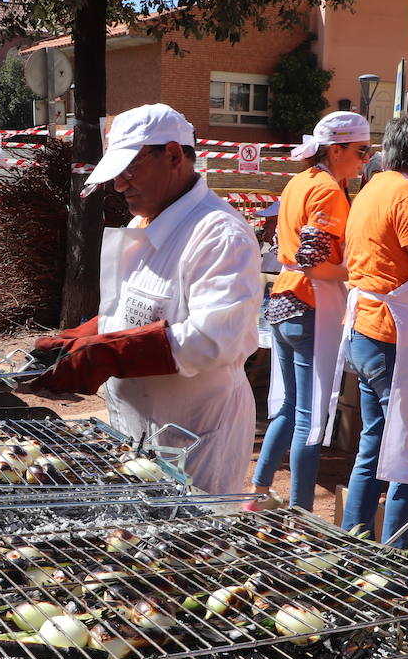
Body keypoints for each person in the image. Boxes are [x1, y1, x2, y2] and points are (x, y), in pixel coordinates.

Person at [29, 104, 260, 495]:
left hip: (195, 434)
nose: (120, 185)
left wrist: (110, 353)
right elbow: (132, 313)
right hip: (134, 428)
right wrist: (83, 336)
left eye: (129, 169)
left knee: (192, 548)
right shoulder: (144, 221)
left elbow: (215, 340)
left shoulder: (218, 234)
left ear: (172, 155)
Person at [328, 113, 408, 546]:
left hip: (366, 331)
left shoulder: (372, 188)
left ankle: (354, 542)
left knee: (373, 444)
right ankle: (396, 561)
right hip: (394, 339)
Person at [246, 112, 370, 511]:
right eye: (362, 151)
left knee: (287, 407)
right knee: (310, 418)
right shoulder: (328, 191)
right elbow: (314, 261)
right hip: (308, 303)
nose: (365, 159)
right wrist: (359, 270)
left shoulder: (302, 181)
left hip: (284, 302)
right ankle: (300, 514)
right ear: (337, 150)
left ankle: (260, 492)